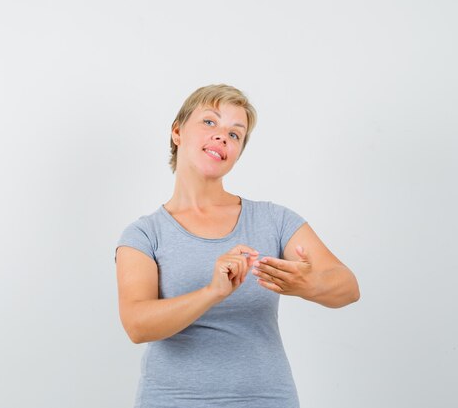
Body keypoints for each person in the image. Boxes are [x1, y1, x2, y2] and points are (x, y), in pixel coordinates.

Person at [114, 84, 360, 408]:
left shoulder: (274, 220)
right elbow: (137, 323)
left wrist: (309, 283)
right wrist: (211, 292)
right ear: (177, 131)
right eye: (210, 122)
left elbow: (347, 287)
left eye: (235, 134)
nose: (221, 137)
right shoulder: (144, 234)